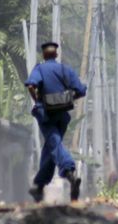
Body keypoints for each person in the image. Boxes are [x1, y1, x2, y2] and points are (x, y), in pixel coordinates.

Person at [25, 41, 87, 202]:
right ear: (56, 54)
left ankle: (69, 171)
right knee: (51, 147)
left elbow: (31, 85)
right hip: (62, 115)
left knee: (55, 143)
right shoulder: (64, 69)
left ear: (44, 55)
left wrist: (37, 98)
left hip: (46, 114)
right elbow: (81, 91)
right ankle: (39, 186)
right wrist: (67, 99)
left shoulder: (40, 68)